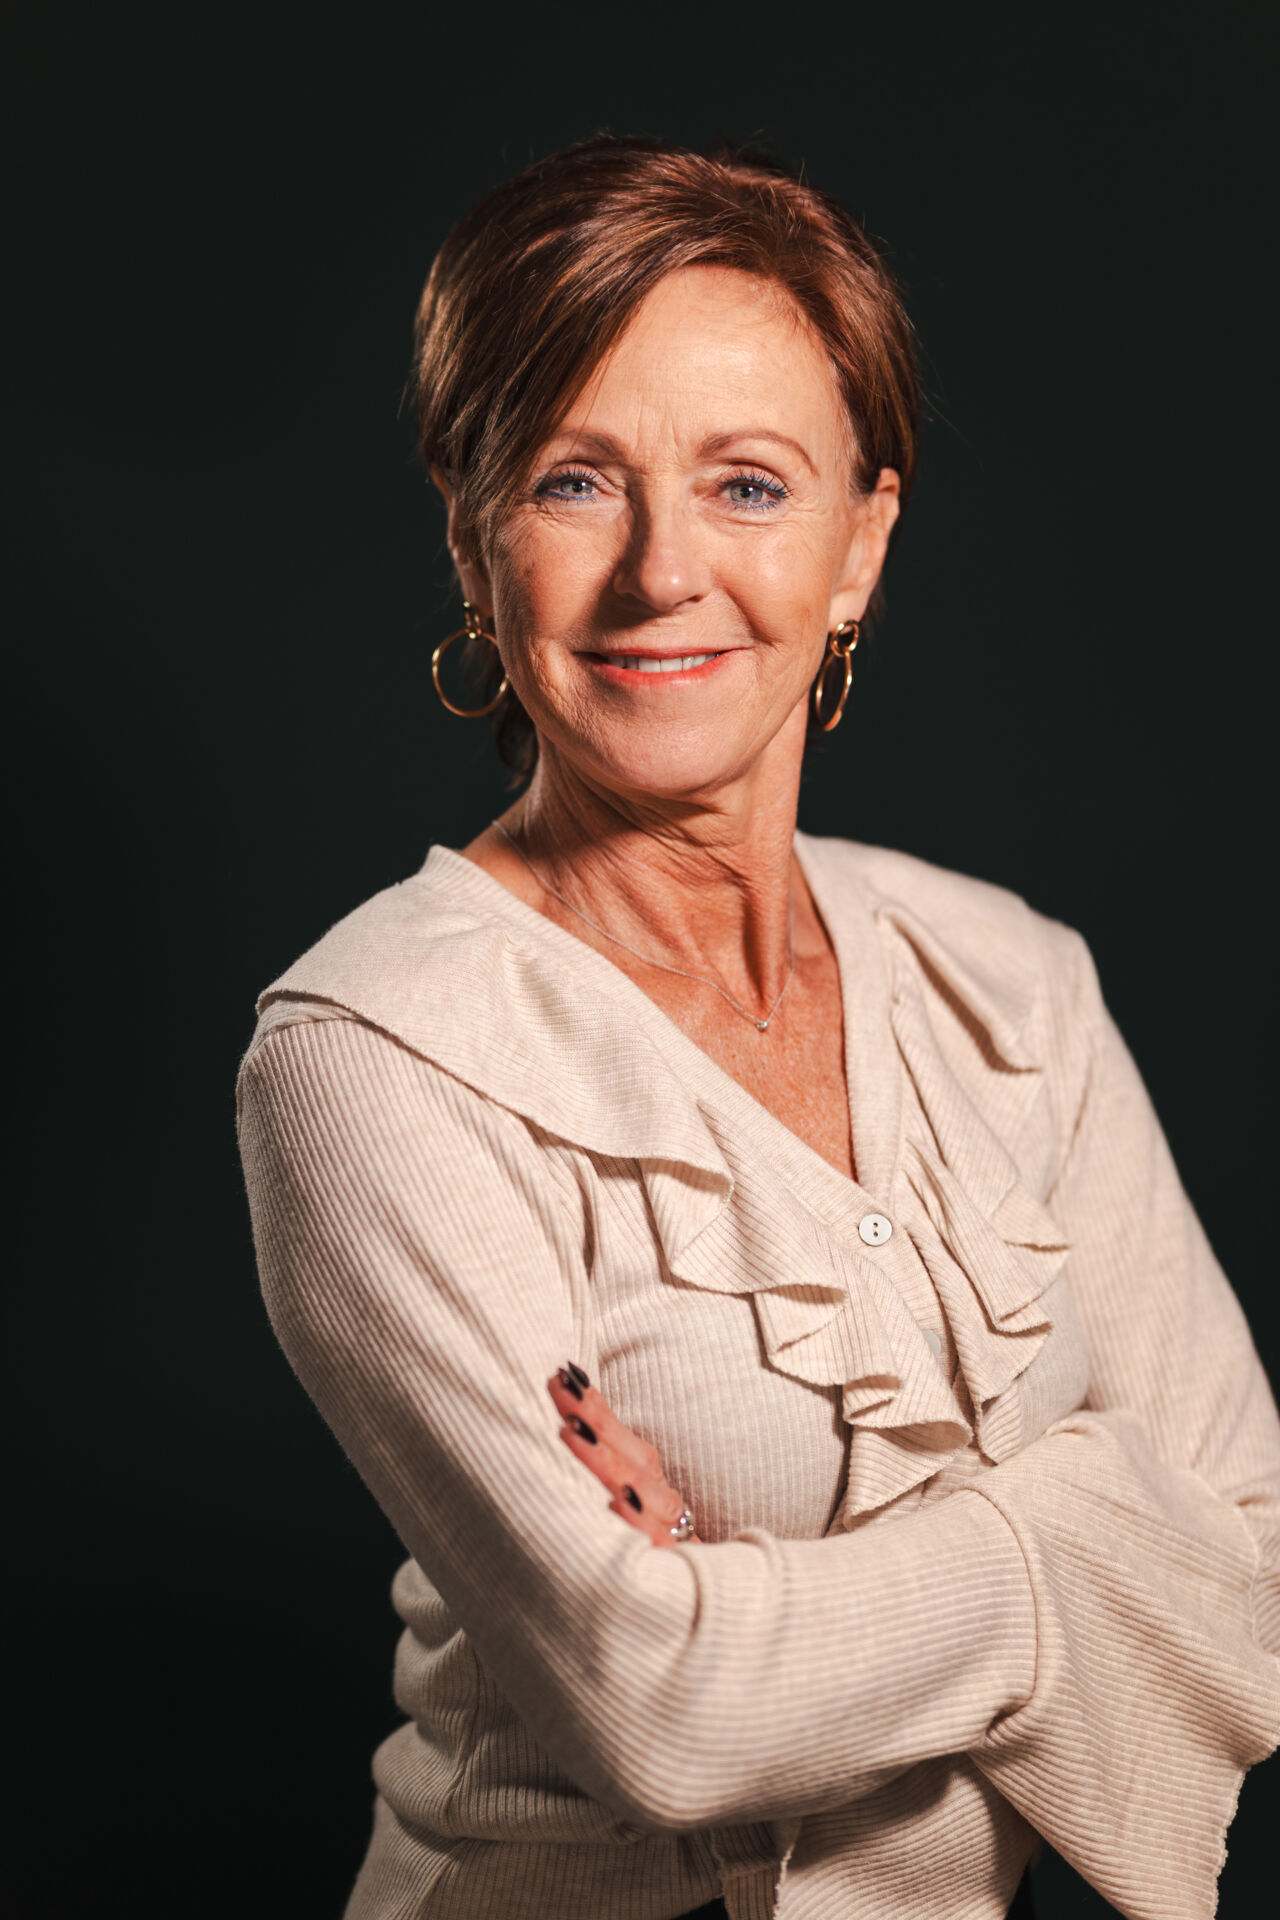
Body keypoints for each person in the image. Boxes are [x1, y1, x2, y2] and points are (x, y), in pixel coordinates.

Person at [236, 137, 1280, 1920]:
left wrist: (745, 1595)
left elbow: (1254, 1572)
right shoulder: (372, 1055)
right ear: (473, 537)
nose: (664, 571)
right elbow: (662, 1707)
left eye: (747, 484)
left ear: (860, 542)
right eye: (577, 481)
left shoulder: (1011, 983)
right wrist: (1094, 1524)